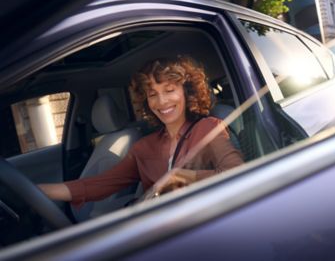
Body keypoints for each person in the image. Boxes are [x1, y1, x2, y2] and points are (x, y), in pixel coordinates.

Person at [39, 55, 243, 207]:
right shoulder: (144, 147)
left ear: (187, 92)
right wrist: (40, 192)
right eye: (152, 94)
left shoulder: (207, 128)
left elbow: (237, 174)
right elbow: (99, 185)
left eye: (169, 90)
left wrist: (181, 176)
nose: (161, 101)